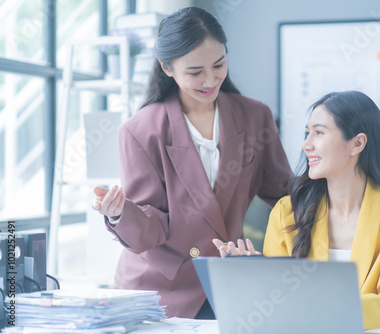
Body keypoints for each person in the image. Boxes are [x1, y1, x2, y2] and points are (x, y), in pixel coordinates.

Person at [91, 7, 292, 319]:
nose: (210, 80)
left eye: (219, 64)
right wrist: (119, 215)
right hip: (160, 287)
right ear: (167, 68)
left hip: (227, 278)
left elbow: (283, 191)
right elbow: (150, 229)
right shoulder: (140, 130)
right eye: (195, 72)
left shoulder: (255, 115)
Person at [213, 91, 380, 330]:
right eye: (307, 132)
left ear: (357, 143)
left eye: (319, 132)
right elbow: (277, 308)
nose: (306, 144)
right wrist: (256, 277)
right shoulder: (286, 212)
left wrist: (323, 308)